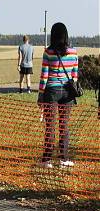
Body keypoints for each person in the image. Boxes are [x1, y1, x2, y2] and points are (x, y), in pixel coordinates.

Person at [37, 22, 78, 168]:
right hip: (67, 92)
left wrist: (40, 95)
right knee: (64, 125)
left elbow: (44, 77)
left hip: (51, 92)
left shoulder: (48, 52)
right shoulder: (73, 52)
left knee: (50, 126)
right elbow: (74, 76)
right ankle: (64, 159)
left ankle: (46, 160)